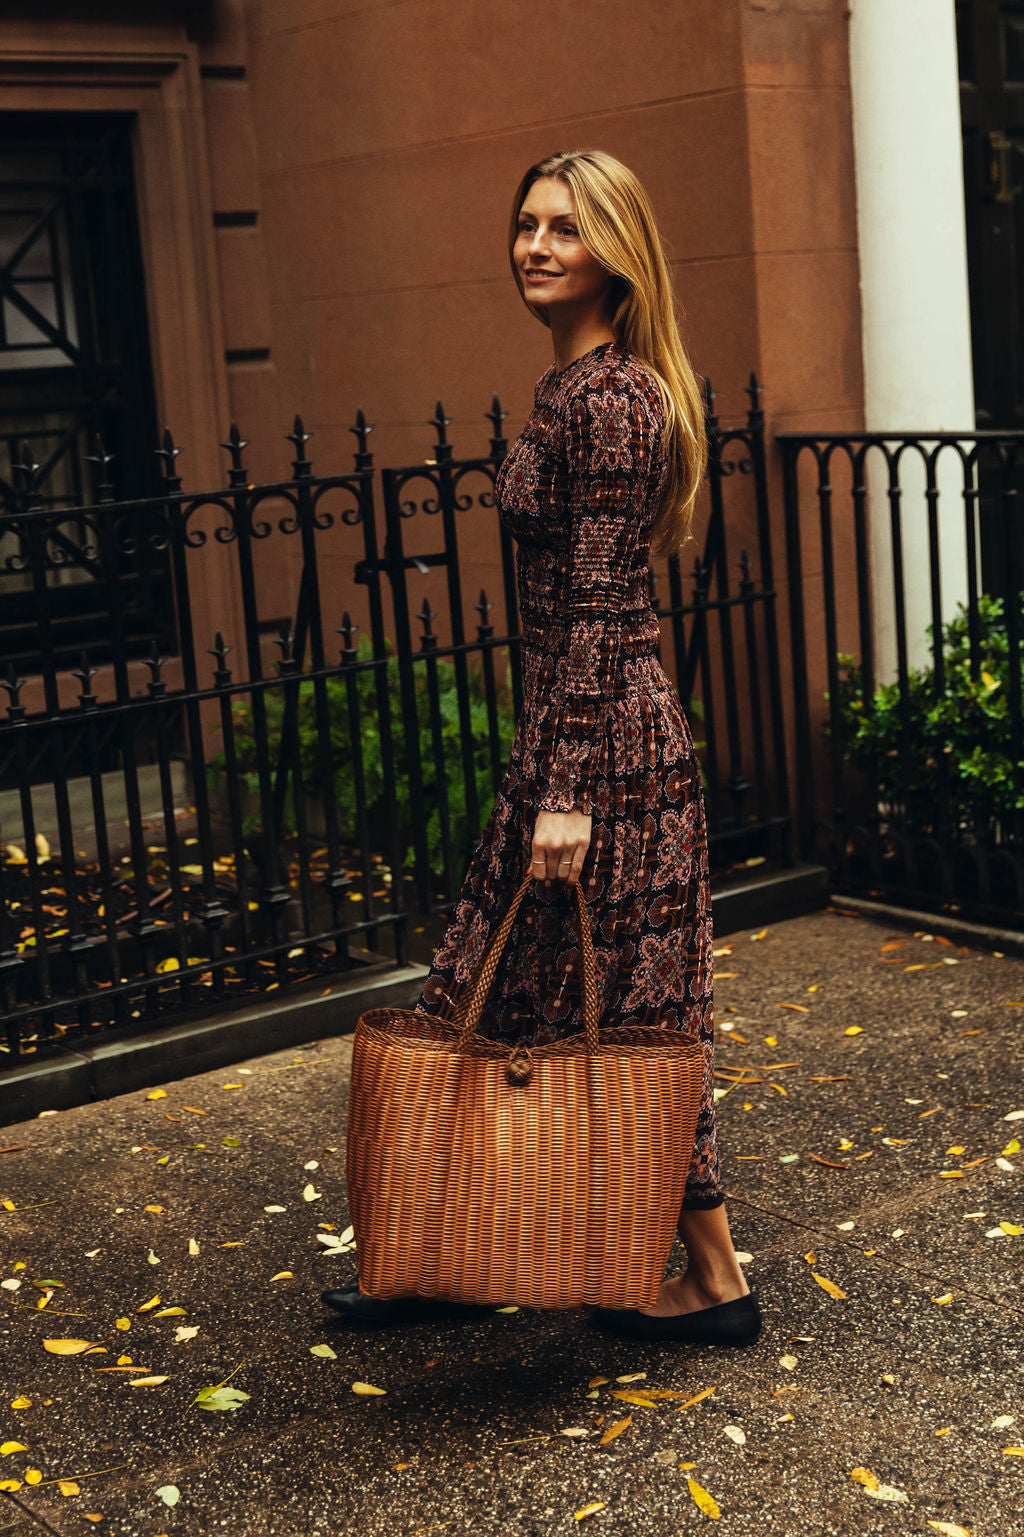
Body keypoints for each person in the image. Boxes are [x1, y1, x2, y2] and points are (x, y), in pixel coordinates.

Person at [323, 148, 761, 1346]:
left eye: (564, 229)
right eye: (525, 224)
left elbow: (600, 608)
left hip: (605, 754)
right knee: (526, 986)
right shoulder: (574, 390)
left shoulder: (609, 402)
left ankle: (711, 1280)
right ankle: (424, 1247)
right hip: (583, 741)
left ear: (613, 252)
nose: (534, 246)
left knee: (616, 1012)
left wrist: (563, 792)